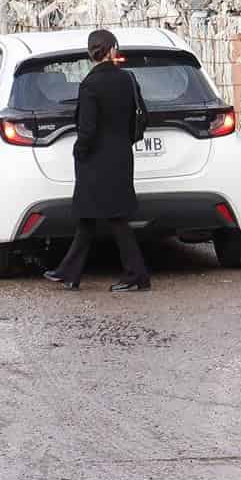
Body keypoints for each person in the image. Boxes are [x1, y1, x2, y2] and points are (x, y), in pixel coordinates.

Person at [44, 28, 152, 292]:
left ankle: (137, 275)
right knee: (92, 217)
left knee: (107, 217)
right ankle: (70, 272)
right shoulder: (127, 80)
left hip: (94, 160)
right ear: (113, 50)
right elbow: (139, 117)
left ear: (90, 53)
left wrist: (79, 151)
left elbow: (87, 128)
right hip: (121, 156)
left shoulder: (90, 85)